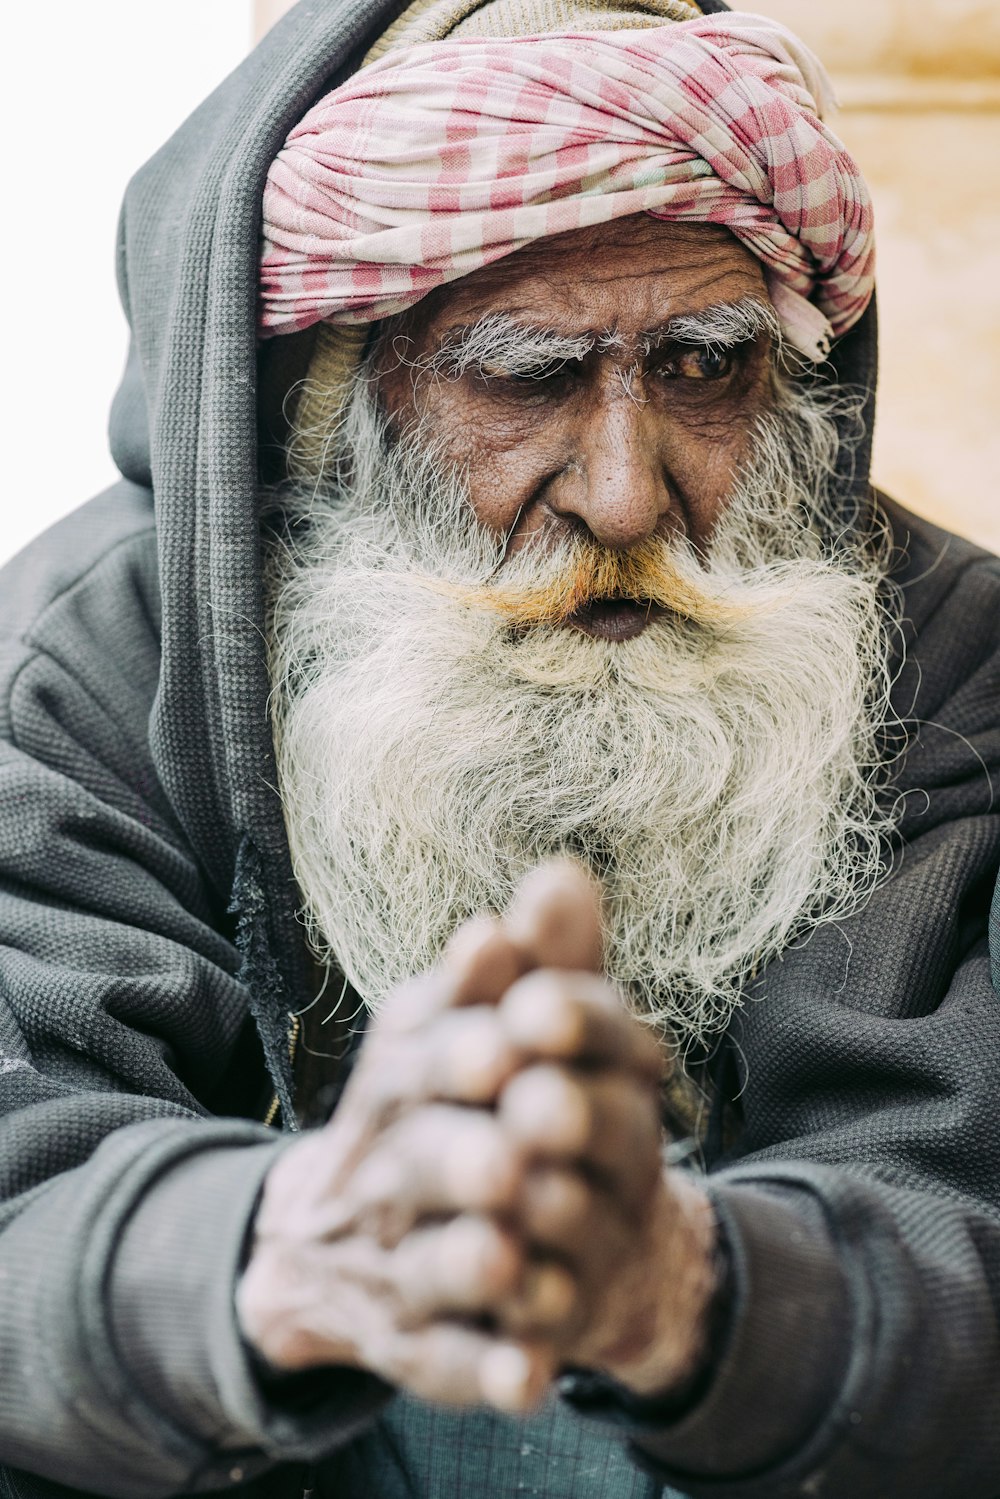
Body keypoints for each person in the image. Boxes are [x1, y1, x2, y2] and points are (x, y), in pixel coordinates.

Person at [1, 1, 999, 1496]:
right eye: (527, 378)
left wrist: (677, 1287)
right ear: (325, 403)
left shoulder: (948, 654)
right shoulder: (79, 672)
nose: (622, 493)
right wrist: (288, 1254)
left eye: (706, 371)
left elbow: (957, 1211)